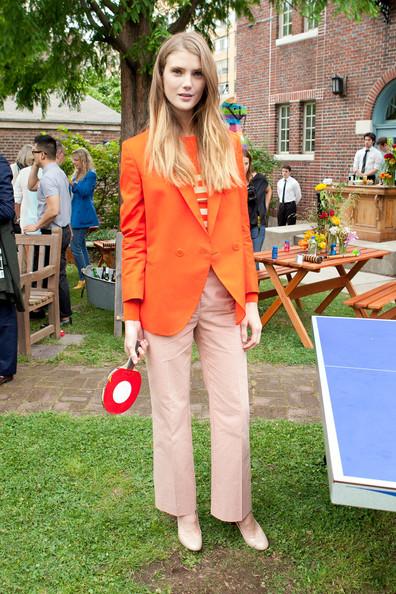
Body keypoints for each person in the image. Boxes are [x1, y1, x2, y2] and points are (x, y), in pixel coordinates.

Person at [120, 31, 268, 553]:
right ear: (160, 77)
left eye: (196, 73)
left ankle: (238, 508)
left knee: (235, 408)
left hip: (223, 293)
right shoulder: (137, 152)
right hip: (164, 298)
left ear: (209, 79)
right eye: (177, 72)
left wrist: (250, 300)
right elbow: (133, 236)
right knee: (172, 409)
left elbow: (238, 231)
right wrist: (131, 313)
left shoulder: (228, 143)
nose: (187, 83)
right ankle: (184, 509)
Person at [26, 135, 73, 325]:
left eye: (34, 152)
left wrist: (36, 225)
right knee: (51, 271)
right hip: (61, 229)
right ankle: (45, 309)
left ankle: (63, 315)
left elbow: (53, 209)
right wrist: (36, 166)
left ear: (43, 154)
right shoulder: (56, 173)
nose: (32, 155)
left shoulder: (50, 178)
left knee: (56, 274)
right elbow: (31, 186)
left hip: (55, 231)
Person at [0, 154, 24, 385]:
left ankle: (5, 368)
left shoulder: (0, 166)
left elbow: (7, 211)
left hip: (0, 251)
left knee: (2, 307)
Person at [70, 148, 99, 290]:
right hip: (75, 212)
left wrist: (73, 184)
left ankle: (83, 278)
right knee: (80, 245)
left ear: (83, 159)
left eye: (76, 159)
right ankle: (88, 274)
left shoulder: (90, 175)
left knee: (75, 246)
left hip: (82, 214)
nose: (74, 162)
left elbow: (85, 192)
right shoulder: (77, 174)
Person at [243, 151, 272, 254]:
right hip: (241, 226)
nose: (244, 167)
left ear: (250, 163)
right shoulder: (235, 180)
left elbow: (268, 190)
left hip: (257, 224)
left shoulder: (259, 179)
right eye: (241, 163)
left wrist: (265, 206)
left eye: (246, 163)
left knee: (255, 258)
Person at [13, 145, 41, 235]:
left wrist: (19, 218)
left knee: (26, 248)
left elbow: (17, 199)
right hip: (45, 222)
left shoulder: (23, 172)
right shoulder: (48, 172)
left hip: (26, 222)